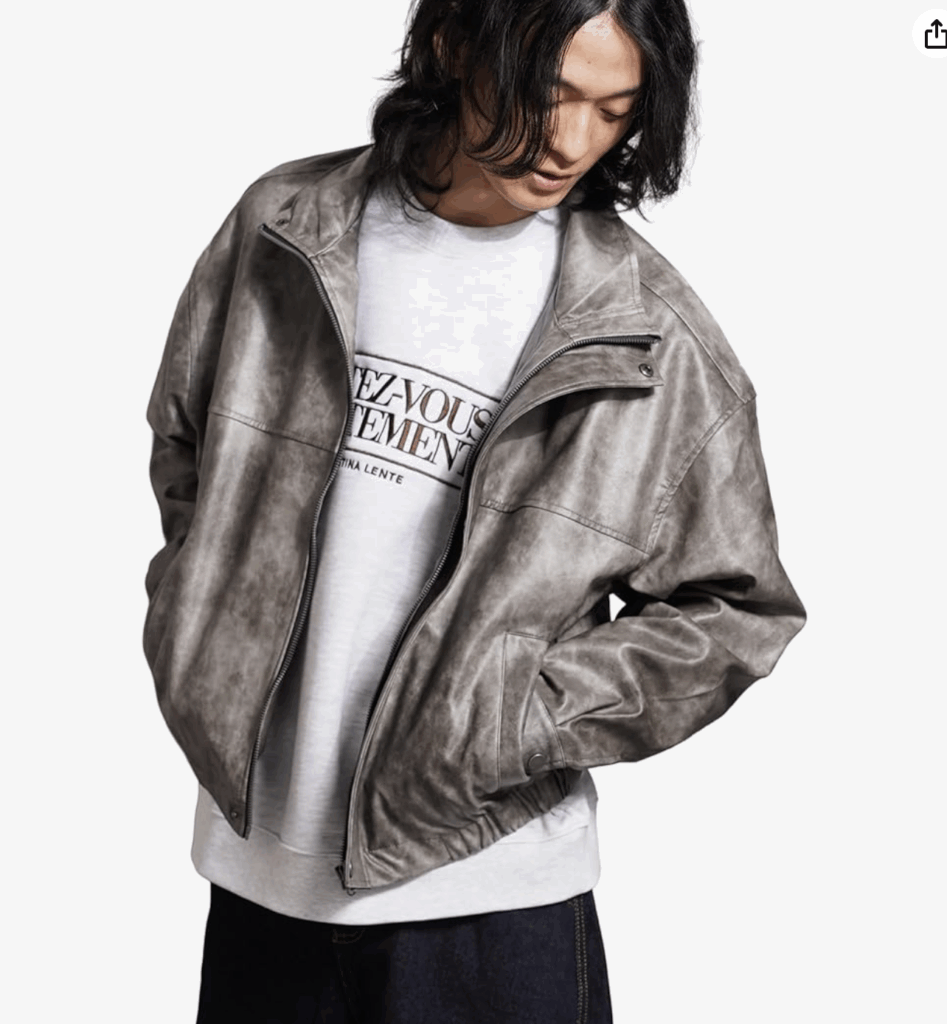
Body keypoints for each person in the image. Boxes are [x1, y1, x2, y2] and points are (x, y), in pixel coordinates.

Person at [143, 1, 805, 1020]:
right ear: (455, 45)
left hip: (485, 897)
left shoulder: (648, 335)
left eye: (612, 111)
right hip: (258, 871)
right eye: (549, 95)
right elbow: (187, 441)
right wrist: (197, 604)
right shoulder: (286, 227)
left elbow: (735, 610)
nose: (571, 143)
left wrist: (514, 719)